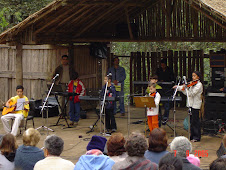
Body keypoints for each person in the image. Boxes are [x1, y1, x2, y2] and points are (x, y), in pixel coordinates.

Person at [173, 71, 203, 142]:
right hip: (190, 104)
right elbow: (186, 89)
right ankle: (192, 136)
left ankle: (196, 137)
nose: (193, 77)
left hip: (196, 105)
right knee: (191, 121)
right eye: (192, 76)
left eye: (194, 76)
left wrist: (183, 89)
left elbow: (191, 93)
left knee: (195, 121)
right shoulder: (192, 84)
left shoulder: (199, 85)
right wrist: (178, 87)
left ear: (198, 77)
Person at [156, 59, 175, 124]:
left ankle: (165, 117)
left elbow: (172, 78)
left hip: (168, 88)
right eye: (161, 65)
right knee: (158, 102)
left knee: (167, 103)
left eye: (163, 65)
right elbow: (156, 78)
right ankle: (159, 117)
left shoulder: (170, 70)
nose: (162, 66)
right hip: (160, 88)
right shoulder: (158, 70)